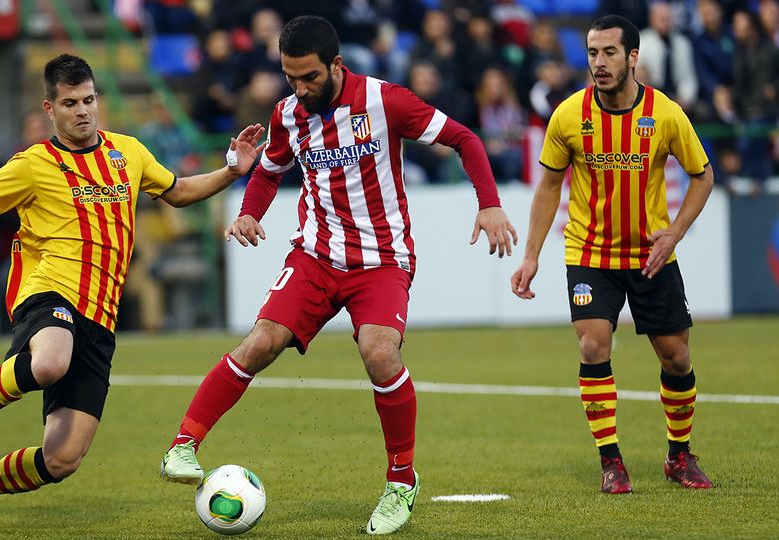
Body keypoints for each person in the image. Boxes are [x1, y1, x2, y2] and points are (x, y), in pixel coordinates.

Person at [158, 15, 516, 535]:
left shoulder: (385, 100)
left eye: (309, 78)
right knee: (260, 342)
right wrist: (251, 212)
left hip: (382, 259)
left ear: (337, 65)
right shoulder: (287, 115)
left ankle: (400, 482)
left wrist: (489, 204)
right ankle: (184, 444)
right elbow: (270, 170)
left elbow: (464, 139)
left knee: (378, 352)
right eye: (290, 78)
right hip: (316, 257)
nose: (299, 90)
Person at [0, 53, 265, 534]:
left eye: (88, 100)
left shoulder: (129, 153)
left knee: (62, 459)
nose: (82, 111)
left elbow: (180, 190)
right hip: (47, 295)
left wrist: (232, 171)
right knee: (48, 362)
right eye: (69, 103)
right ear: (50, 108)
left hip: (100, 320)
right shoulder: (33, 164)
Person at [510, 15, 714, 495]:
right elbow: (548, 185)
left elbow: (702, 176)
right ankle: (611, 461)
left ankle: (678, 455)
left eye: (608, 53)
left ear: (633, 57)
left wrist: (675, 234)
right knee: (592, 346)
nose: (598, 63)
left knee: (677, 358)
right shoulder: (568, 115)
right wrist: (531, 255)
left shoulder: (665, 114)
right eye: (592, 53)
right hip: (590, 253)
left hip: (651, 255)